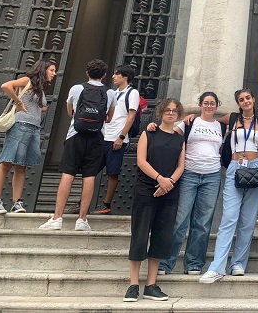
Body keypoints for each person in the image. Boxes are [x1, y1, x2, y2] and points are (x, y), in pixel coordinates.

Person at [39, 59, 116, 231]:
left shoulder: (76, 88)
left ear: (87, 73)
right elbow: (109, 119)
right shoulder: (110, 93)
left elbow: (69, 112)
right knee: (89, 176)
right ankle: (82, 220)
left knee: (68, 174)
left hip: (75, 135)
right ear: (104, 75)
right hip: (97, 137)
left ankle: (57, 218)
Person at [199, 88, 258, 283]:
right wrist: (189, 119)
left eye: (248, 98)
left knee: (248, 220)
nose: (245, 101)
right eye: (241, 99)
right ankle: (217, 266)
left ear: (253, 100)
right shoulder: (232, 118)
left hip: (255, 167)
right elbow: (208, 118)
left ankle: (238, 263)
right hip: (235, 167)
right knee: (229, 217)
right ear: (238, 103)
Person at [123, 98, 185, 302]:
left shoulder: (179, 138)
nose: (170, 113)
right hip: (147, 189)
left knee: (161, 237)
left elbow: (181, 166)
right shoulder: (148, 133)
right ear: (160, 112)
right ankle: (133, 285)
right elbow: (141, 161)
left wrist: (169, 183)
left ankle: (151, 284)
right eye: (167, 110)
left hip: (169, 191)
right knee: (140, 234)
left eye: (174, 111)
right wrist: (160, 179)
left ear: (178, 114)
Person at [157, 92, 224, 275]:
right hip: (189, 174)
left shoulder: (221, 126)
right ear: (200, 104)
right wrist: (153, 127)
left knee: (202, 223)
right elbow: (168, 132)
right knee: (180, 220)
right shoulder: (189, 122)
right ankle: (165, 263)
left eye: (212, 103)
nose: (209, 106)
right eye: (206, 103)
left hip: (211, 176)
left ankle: (194, 263)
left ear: (217, 105)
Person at [0, 60, 57, 214]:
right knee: (7, 162)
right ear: (43, 70)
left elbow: (38, 106)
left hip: (33, 129)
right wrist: (18, 102)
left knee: (21, 166)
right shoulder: (27, 80)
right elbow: (6, 86)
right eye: (52, 70)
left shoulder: (40, 89)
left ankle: (16, 203)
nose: (54, 74)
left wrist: (40, 108)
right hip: (20, 126)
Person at [93, 65, 139, 215]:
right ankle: (84, 201)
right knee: (91, 170)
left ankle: (106, 204)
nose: (113, 77)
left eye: (117, 74)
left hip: (117, 139)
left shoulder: (132, 93)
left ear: (125, 77)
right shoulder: (112, 93)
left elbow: (131, 116)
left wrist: (121, 137)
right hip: (104, 137)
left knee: (113, 173)